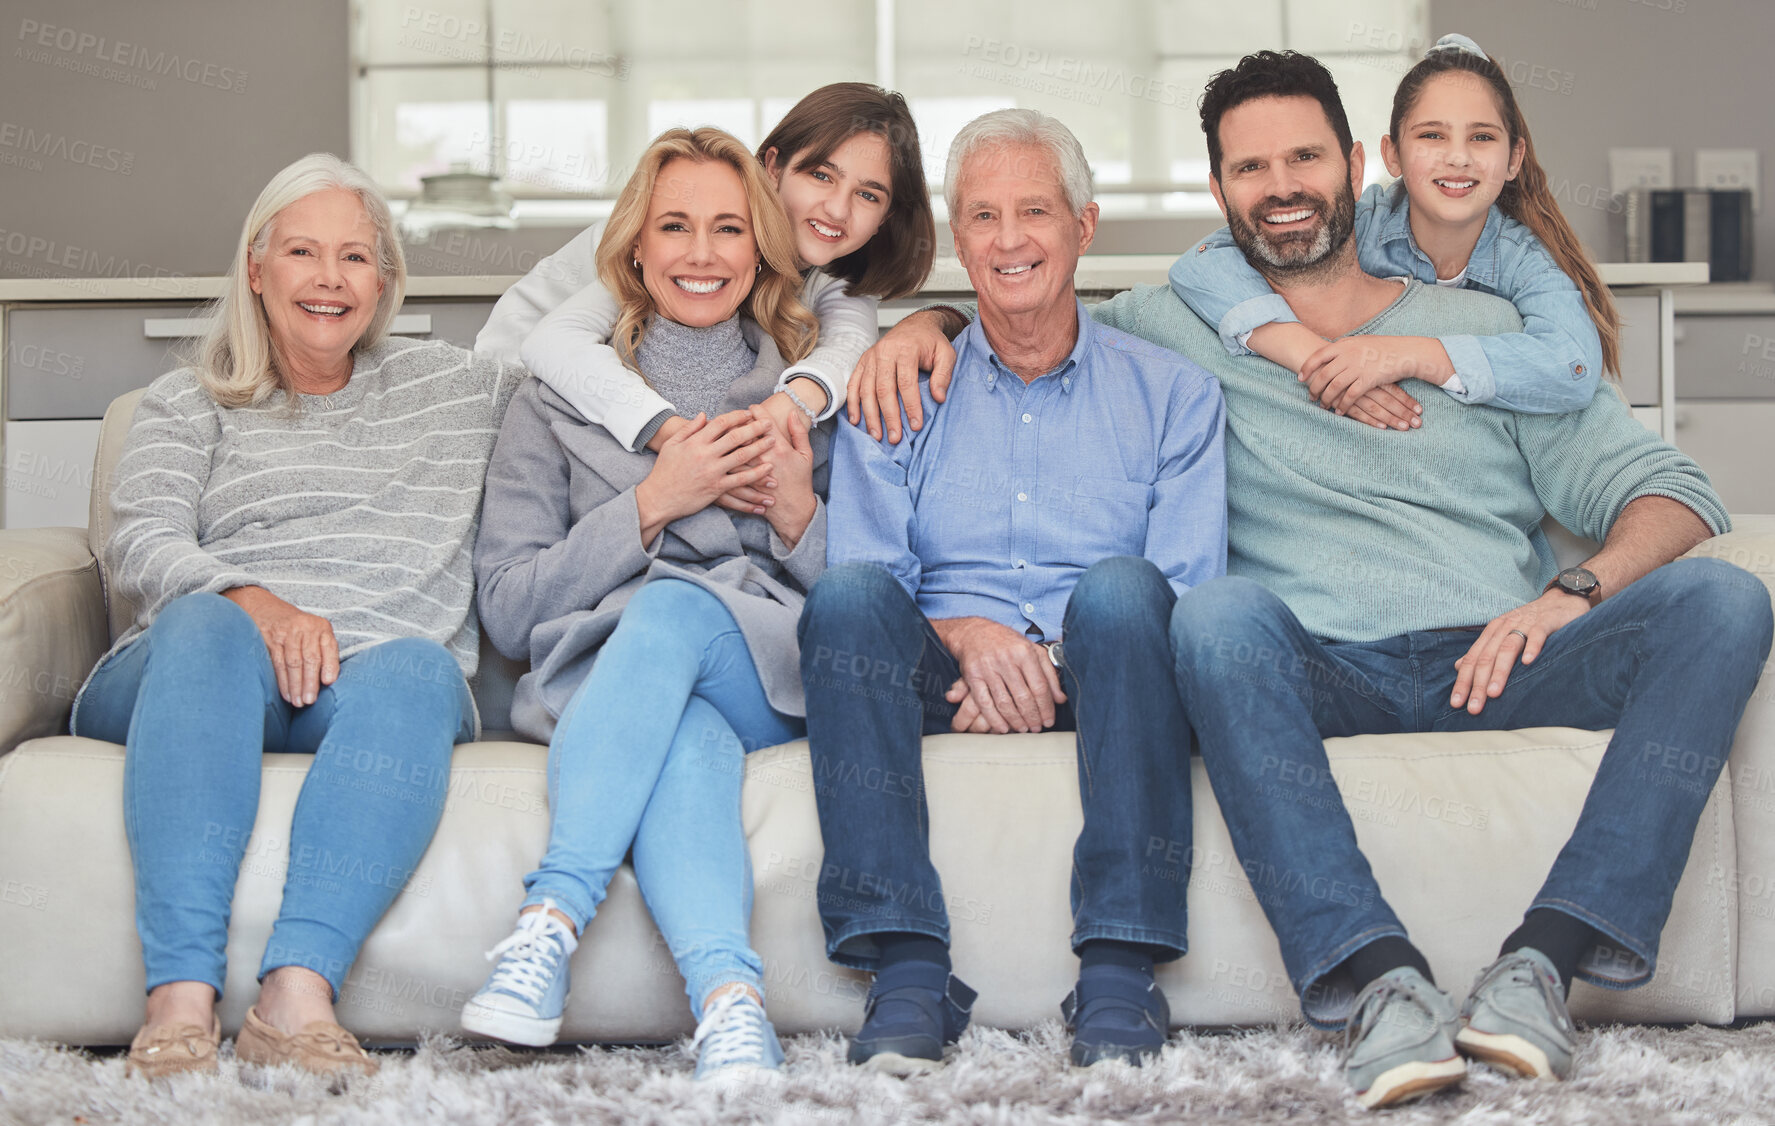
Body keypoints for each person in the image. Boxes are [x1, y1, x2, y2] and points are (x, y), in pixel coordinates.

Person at [862, 51, 1772, 1110]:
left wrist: (1565, 595)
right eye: (1250, 167)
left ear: (1355, 164)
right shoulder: (1175, 330)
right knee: (1212, 615)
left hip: (1500, 653)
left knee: (1724, 599)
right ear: (1217, 193)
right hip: (1312, 668)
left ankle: (1544, 961)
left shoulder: (1476, 330)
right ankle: (1375, 975)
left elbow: (1672, 491)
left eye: (1303, 156)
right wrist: (920, 327)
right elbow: (1025, 314)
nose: (1280, 184)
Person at [72, 153, 521, 1080]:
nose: (328, 278)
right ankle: (180, 997)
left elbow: (602, 300)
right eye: (303, 252)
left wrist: (897, 331)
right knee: (206, 623)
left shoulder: (461, 391)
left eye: (356, 257)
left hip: (361, 682)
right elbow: (140, 543)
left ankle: (296, 994)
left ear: (387, 280)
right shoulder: (187, 399)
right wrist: (254, 600)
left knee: (419, 666)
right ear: (255, 267)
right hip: (192, 667)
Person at [798, 108, 1226, 1074]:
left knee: (1123, 592)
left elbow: (1186, 591)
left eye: (1033, 211)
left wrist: (1043, 657)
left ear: (1085, 225)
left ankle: (1119, 967)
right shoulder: (895, 385)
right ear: (958, 236)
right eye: (981, 217)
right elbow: (872, 573)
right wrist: (969, 637)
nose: (1007, 240)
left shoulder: (1173, 395)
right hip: (941, 673)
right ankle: (907, 967)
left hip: (1111, 668)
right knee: (844, 605)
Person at [462, 127, 827, 1085]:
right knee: (685, 739)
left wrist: (795, 511)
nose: (701, 255)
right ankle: (731, 1004)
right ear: (633, 249)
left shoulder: (807, 395)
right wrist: (653, 503)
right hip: (605, 681)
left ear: (761, 249)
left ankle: (550, 920)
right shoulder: (553, 401)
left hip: (769, 667)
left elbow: (872, 598)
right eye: (675, 227)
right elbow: (505, 608)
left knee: (671, 614)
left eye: (728, 229)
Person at [476, 82, 936, 499]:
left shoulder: (833, 277)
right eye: (821, 175)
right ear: (773, 167)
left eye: (869, 195)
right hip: (507, 381)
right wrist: (683, 440)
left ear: (886, 219)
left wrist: (789, 406)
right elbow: (549, 343)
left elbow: (850, 344)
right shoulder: (670, 236)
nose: (837, 208)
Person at [1169, 33, 1618, 430]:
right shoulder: (1363, 223)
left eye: (1481, 137)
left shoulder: (1526, 262)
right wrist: (1307, 353)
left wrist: (1408, 354)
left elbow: (1572, 366)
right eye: (1432, 136)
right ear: (1392, 156)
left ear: (1514, 158)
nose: (1458, 158)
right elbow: (1204, 261)